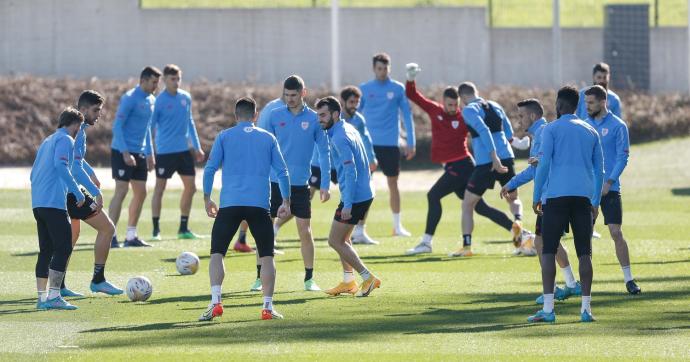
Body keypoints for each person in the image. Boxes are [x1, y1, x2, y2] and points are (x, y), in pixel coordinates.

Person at [402, 64, 521, 256]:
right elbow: (414, 96)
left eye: (455, 105)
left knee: (433, 196)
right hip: (455, 166)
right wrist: (410, 78)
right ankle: (519, 231)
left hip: (463, 165)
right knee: (480, 208)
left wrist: (503, 145)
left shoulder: (465, 115)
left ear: (460, 102)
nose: (452, 109)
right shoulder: (435, 111)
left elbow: (485, 129)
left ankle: (426, 242)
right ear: (443, 102)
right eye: (449, 105)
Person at [199, 97, 290, 321]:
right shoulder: (268, 138)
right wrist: (286, 201)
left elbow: (210, 169)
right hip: (259, 206)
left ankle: (215, 302)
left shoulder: (224, 137)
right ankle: (267, 308)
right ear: (256, 115)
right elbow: (283, 172)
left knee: (217, 253)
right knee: (267, 257)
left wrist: (207, 198)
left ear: (235, 114)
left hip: (230, 205)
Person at [528, 86, 604, 324]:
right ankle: (586, 310)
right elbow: (599, 171)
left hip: (557, 197)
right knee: (585, 253)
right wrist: (596, 202)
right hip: (582, 198)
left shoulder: (551, 129)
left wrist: (537, 195)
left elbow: (543, 164)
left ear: (559, 106)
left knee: (548, 250)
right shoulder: (591, 131)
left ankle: (549, 310)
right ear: (577, 105)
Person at [254, 75, 331, 292]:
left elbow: (324, 153)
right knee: (264, 229)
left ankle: (309, 279)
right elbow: (263, 148)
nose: (289, 99)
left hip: (299, 185)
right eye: (286, 95)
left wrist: (324, 183)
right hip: (274, 182)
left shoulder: (315, 119)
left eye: (293, 95)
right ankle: (259, 277)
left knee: (304, 230)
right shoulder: (275, 115)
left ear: (303, 93)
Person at [501, 98, 581, 304]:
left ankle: (553, 290)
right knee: (548, 242)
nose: (518, 121)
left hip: (551, 197)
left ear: (533, 116)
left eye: (521, 116)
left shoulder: (544, 133)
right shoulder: (541, 133)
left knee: (542, 242)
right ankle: (571, 284)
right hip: (553, 195)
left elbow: (537, 169)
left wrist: (511, 183)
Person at [316, 96, 381, 297]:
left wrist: (348, 204)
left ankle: (368, 277)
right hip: (363, 192)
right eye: (318, 115)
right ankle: (348, 281)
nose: (320, 119)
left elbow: (350, 171)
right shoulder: (348, 128)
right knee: (343, 238)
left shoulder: (339, 137)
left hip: (356, 196)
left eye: (324, 115)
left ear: (335, 114)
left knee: (334, 240)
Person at [61, 91, 123, 298]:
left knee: (71, 236)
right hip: (72, 191)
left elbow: (76, 161)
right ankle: (98, 280)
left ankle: (58, 285)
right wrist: (96, 192)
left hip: (66, 189)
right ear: (84, 109)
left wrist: (92, 173)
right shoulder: (78, 131)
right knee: (107, 229)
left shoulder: (76, 128)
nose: (99, 115)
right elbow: (74, 168)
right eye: (96, 110)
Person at [582, 85, 641, 295]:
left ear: (602, 102)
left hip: (611, 189)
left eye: (590, 103)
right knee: (585, 234)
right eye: (585, 102)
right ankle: (582, 285)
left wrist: (609, 182)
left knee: (616, 232)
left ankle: (629, 279)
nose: (586, 106)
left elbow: (623, 157)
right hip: (588, 189)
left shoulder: (618, 126)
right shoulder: (585, 126)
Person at [456, 82, 524, 257]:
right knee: (513, 198)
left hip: (487, 160)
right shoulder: (495, 105)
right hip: (507, 156)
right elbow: (508, 130)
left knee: (468, 204)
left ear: (462, 97)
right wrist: (514, 143)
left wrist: (494, 157)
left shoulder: (469, 110)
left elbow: (483, 130)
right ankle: (517, 222)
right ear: (476, 92)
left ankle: (466, 246)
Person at [31, 107, 86, 310]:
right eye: (79, 126)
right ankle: (54, 296)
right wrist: (77, 193)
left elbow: (33, 172)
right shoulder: (66, 140)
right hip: (53, 202)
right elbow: (61, 166)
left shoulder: (48, 140)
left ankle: (41, 298)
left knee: (45, 250)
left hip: (38, 202)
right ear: (75, 125)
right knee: (63, 247)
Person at [359, 52, 415, 236]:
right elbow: (354, 116)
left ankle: (397, 226)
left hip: (390, 144)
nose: (382, 72)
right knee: (364, 185)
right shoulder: (364, 89)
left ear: (389, 68)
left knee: (393, 183)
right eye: (379, 68)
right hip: (368, 145)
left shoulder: (398, 89)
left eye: (385, 68)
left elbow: (407, 116)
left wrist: (411, 142)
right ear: (374, 68)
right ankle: (359, 229)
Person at [150, 64, 205, 241]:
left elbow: (190, 122)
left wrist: (197, 146)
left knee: (191, 187)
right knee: (160, 189)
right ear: (165, 80)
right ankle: (156, 229)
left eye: (178, 78)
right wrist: (149, 150)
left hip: (183, 150)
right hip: (165, 151)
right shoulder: (158, 100)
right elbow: (150, 127)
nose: (176, 82)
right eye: (172, 79)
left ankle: (183, 228)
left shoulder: (185, 97)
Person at [108, 66, 161, 247]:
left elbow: (146, 128)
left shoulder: (152, 100)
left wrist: (149, 154)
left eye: (157, 82)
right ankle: (110, 235)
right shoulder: (130, 98)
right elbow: (117, 127)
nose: (156, 86)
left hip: (140, 152)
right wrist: (125, 153)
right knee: (121, 191)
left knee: (141, 192)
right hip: (122, 151)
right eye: (153, 82)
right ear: (144, 80)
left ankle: (131, 236)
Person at [233, 96, 287, 254]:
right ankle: (266, 245)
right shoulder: (275, 110)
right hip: (266, 170)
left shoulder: (272, 108)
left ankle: (242, 239)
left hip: (257, 169)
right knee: (266, 208)